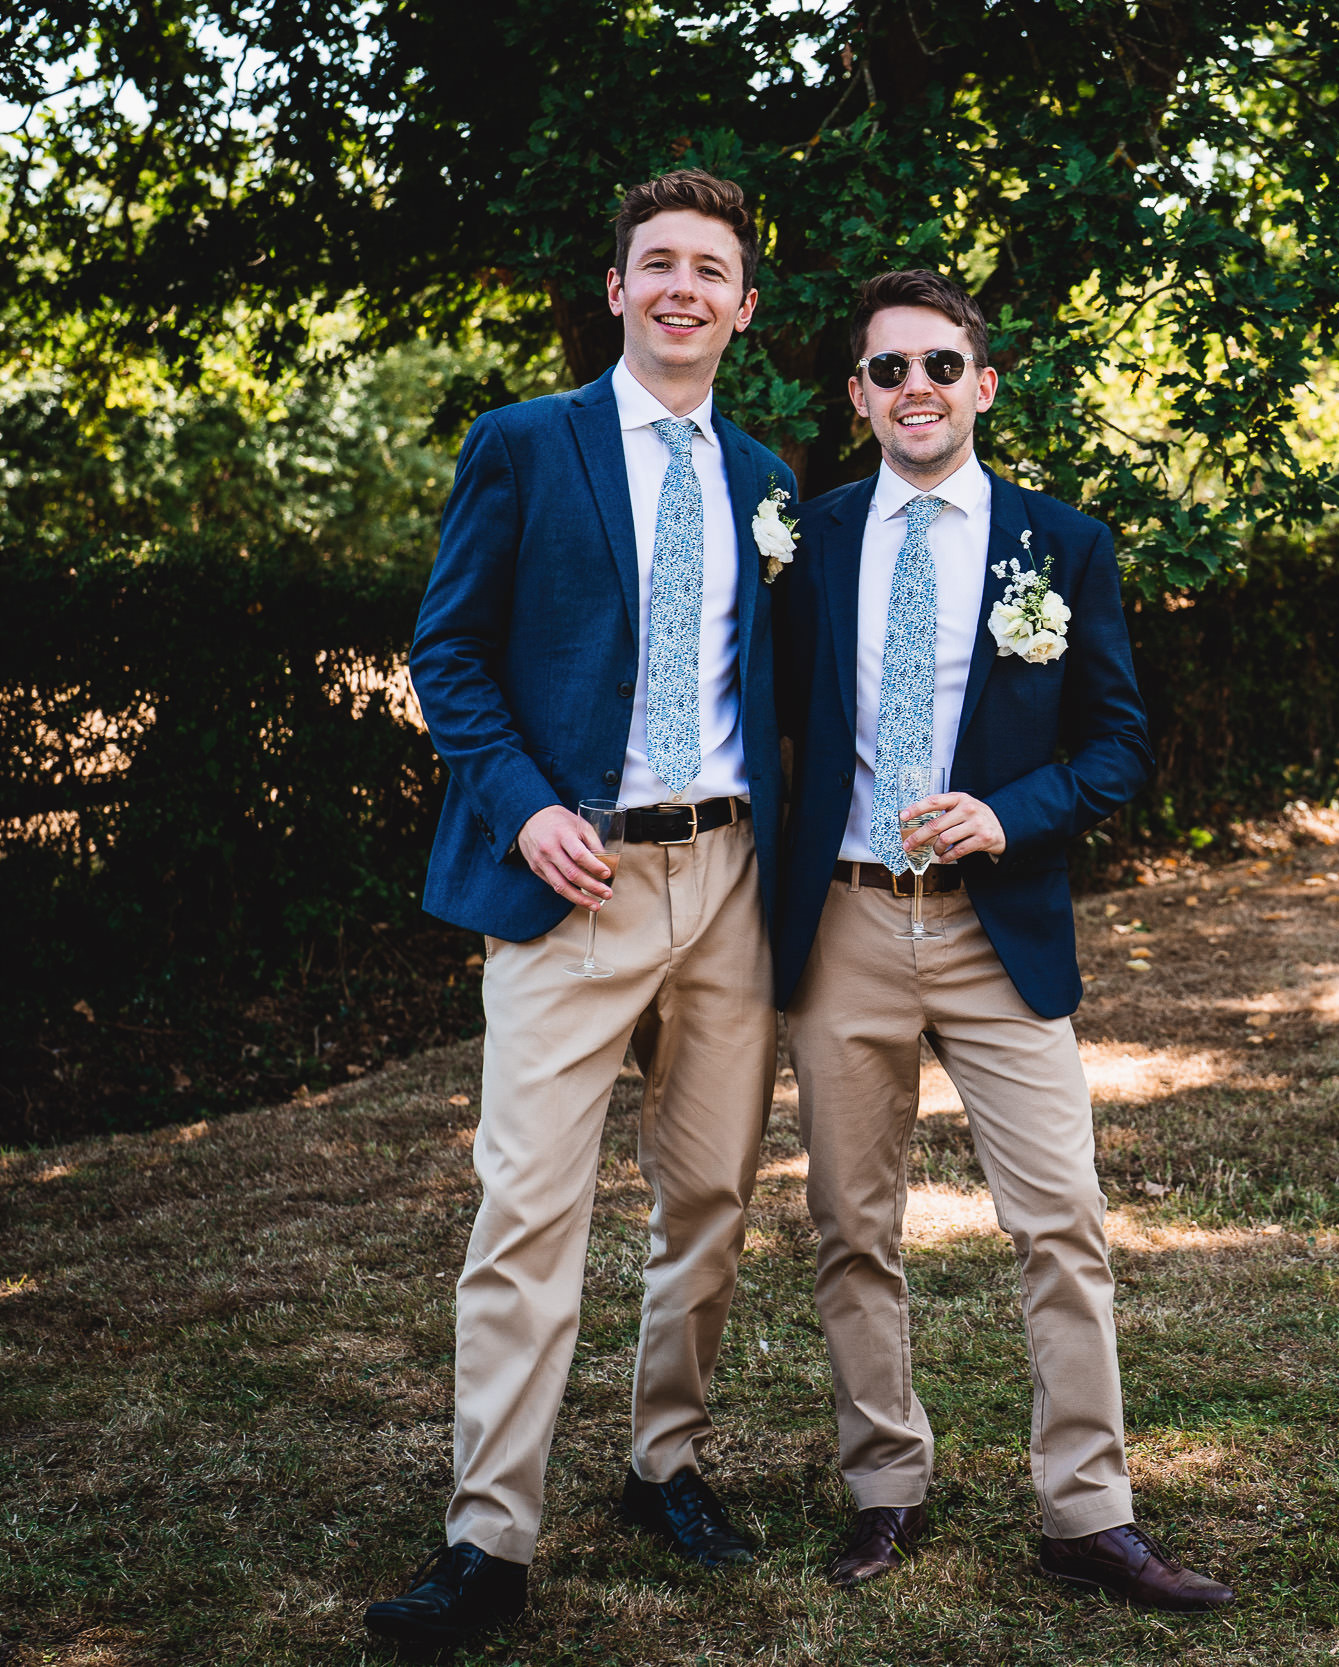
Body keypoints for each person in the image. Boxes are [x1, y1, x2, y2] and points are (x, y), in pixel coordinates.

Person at [371, 170, 797, 1651]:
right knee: (527, 1208)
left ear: (744, 306)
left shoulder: (768, 479)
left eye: (711, 269)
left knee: (712, 1199)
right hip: (573, 877)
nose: (684, 286)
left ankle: (664, 1460)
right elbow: (451, 648)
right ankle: (490, 1534)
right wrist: (526, 804)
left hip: (729, 878)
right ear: (617, 290)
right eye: (657, 264)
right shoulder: (525, 444)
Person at [771, 270, 1231, 1611]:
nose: (915, 386)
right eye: (887, 368)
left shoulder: (1061, 544)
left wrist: (1010, 810)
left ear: (983, 383)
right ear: (858, 398)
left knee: (1064, 1219)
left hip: (998, 929)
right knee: (851, 1222)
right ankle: (882, 1485)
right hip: (845, 919)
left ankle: (1085, 1509)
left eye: (939, 363)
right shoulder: (812, 538)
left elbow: (1120, 743)